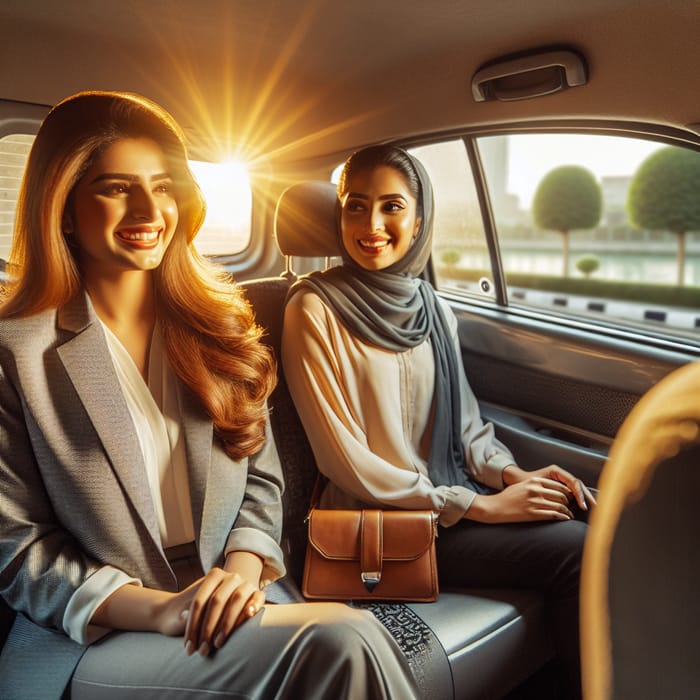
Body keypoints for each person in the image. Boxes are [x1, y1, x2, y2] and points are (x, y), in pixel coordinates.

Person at [0, 92, 420, 700]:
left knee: (347, 639)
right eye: (116, 188)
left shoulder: (219, 325)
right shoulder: (15, 353)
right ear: (63, 208)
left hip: (236, 601)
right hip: (94, 633)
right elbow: (17, 548)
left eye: (164, 186)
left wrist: (242, 571)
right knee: (343, 640)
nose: (148, 209)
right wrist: (161, 610)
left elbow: (262, 481)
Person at [281, 144, 597, 698]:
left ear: (419, 217)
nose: (372, 225)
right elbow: (345, 461)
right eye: (355, 206)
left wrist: (512, 477)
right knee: (577, 551)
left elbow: (469, 429)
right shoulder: (312, 309)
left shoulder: (434, 307)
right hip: (381, 526)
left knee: (584, 512)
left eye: (392, 207)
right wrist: (481, 507)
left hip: (450, 502)